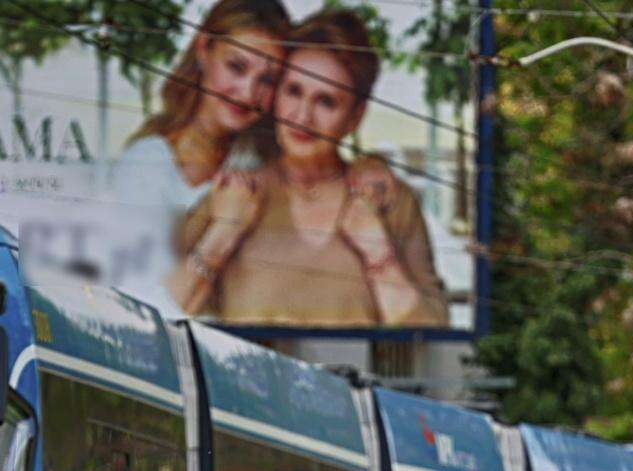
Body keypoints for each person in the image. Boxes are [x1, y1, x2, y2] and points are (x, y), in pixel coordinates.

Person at [177, 8, 447, 328]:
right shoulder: (235, 193)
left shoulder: (388, 200)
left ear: (355, 116)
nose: (302, 117)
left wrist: (381, 258)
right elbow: (163, 316)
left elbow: (432, 339)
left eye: (326, 102)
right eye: (293, 91)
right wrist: (222, 235)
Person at [107, 0, 292, 311]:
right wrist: (225, 230)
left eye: (267, 80)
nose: (248, 93)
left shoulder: (258, 160)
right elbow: (148, 312)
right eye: (237, 66)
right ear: (204, 49)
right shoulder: (147, 165)